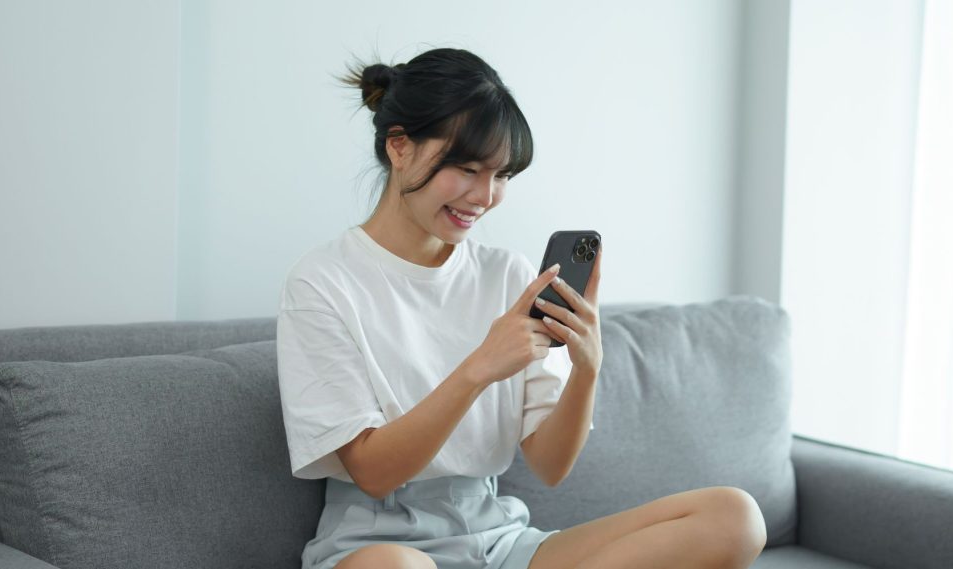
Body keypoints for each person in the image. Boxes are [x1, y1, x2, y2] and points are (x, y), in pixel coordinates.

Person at [277, 47, 766, 569]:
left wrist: (587, 367)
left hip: (499, 541)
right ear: (400, 147)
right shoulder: (324, 282)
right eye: (467, 169)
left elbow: (551, 466)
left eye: (502, 175)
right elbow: (373, 473)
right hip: (378, 546)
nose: (485, 196)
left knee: (733, 516)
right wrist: (478, 370)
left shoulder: (508, 275)